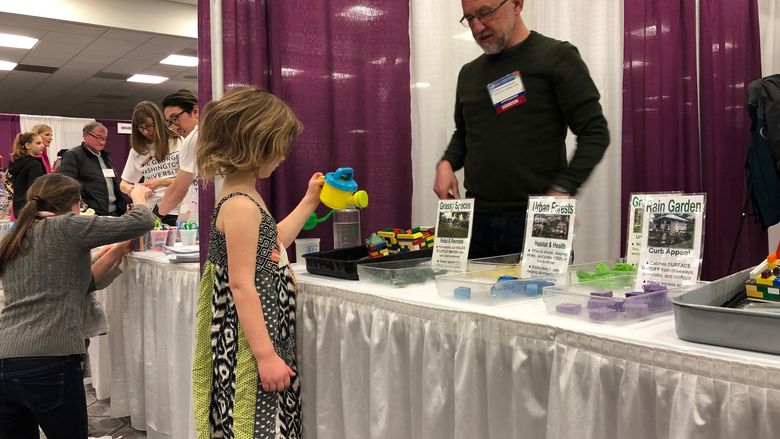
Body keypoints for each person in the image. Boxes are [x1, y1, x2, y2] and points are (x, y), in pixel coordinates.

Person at [192, 87, 323, 438]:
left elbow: (272, 244)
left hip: (260, 338)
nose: (282, 157)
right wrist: (265, 355)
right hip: (250, 348)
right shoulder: (241, 205)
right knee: (255, 420)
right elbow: (241, 283)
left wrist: (310, 201)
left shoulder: (243, 197)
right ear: (256, 145)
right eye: (279, 147)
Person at [433, 0, 609, 258]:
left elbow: (595, 133)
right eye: (469, 18)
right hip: (477, 221)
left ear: (516, 4)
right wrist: (447, 163)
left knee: (541, 299)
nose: (478, 26)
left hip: (537, 217)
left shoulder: (556, 57)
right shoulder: (469, 74)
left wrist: (562, 189)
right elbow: (465, 134)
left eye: (485, 12)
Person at [0, 173, 154, 439]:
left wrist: (116, 252)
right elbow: (141, 221)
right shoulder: (67, 226)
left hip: (6, 359)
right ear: (73, 204)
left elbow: (76, 285)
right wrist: (139, 197)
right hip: (51, 360)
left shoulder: (18, 236)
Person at [120, 101, 182, 226]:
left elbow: (190, 179)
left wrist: (160, 182)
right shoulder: (137, 151)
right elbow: (123, 184)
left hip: (179, 209)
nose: (146, 132)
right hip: (153, 210)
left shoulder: (178, 141)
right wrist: (133, 190)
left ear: (159, 122)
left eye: (149, 126)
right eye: (141, 128)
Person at [59, 122, 127, 216]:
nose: (102, 142)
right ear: (85, 135)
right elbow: (66, 185)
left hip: (114, 212)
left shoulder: (105, 156)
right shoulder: (73, 155)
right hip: (91, 214)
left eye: (105, 139)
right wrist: (82, 210)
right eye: (98, 137)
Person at [154, 89, 199, 220]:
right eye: (169, 122)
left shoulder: (194, 138)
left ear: (195, 111)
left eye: (175, 118)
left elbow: (177, 190)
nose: (174, 127)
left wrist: (154, 218)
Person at [8, 132, 47, 216]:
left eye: (42, 143)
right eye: (38, 143)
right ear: (28, 145)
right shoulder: (34, 164)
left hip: (19, 208)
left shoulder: (16, 162)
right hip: (31, 210)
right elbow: (35, 191)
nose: (43, 145)